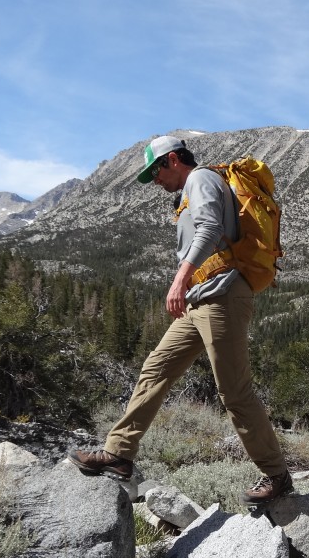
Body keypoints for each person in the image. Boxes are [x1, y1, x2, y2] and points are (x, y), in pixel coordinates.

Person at [67, 135, 293, 504]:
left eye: (155, 170)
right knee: (156, 368)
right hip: (201, 298)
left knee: (234, 391)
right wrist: (190, 285)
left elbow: (209, 229)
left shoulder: (201, 179)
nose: (154, 180)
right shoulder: (189, 188)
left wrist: (180, 278)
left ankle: (277, 475)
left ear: (172, 160)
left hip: (222, 298)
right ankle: (119, 454)